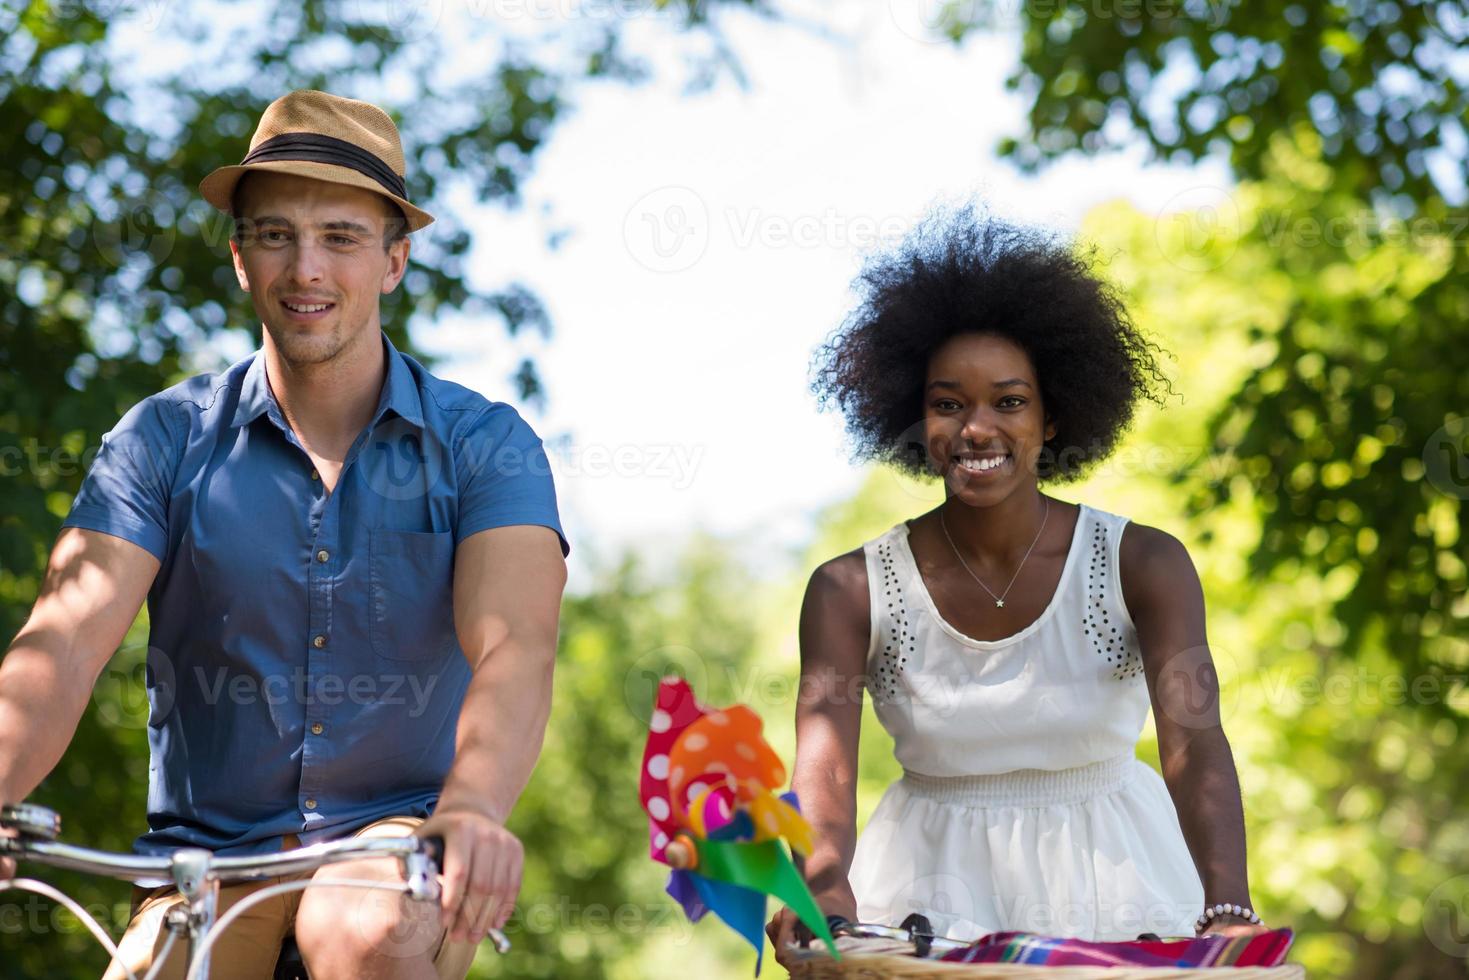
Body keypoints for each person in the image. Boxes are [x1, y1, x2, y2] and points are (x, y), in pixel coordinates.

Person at [0, 90, 569, 980]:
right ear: (239, 258)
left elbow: (515, 648)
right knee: (155, 971)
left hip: (403, 844)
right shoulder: (162, 440)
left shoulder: (484, 445)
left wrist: (472, 808)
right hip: (208, 861)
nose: (306, 269)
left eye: (340, 236)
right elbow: (61, 647)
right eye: (275, 235)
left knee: (360, 925)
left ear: (394, 260)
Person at [768, 207, 1270, 962]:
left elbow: (1193, 742)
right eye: (947, 404)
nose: (975, 429)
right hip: (926, 891)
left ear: (1052, 416)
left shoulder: (1144, 563)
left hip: (1121, 882)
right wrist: (822, 883)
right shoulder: (848, 589)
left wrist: (1226, 902)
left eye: (1008, 402)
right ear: (914, 417)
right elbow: (825, 759)